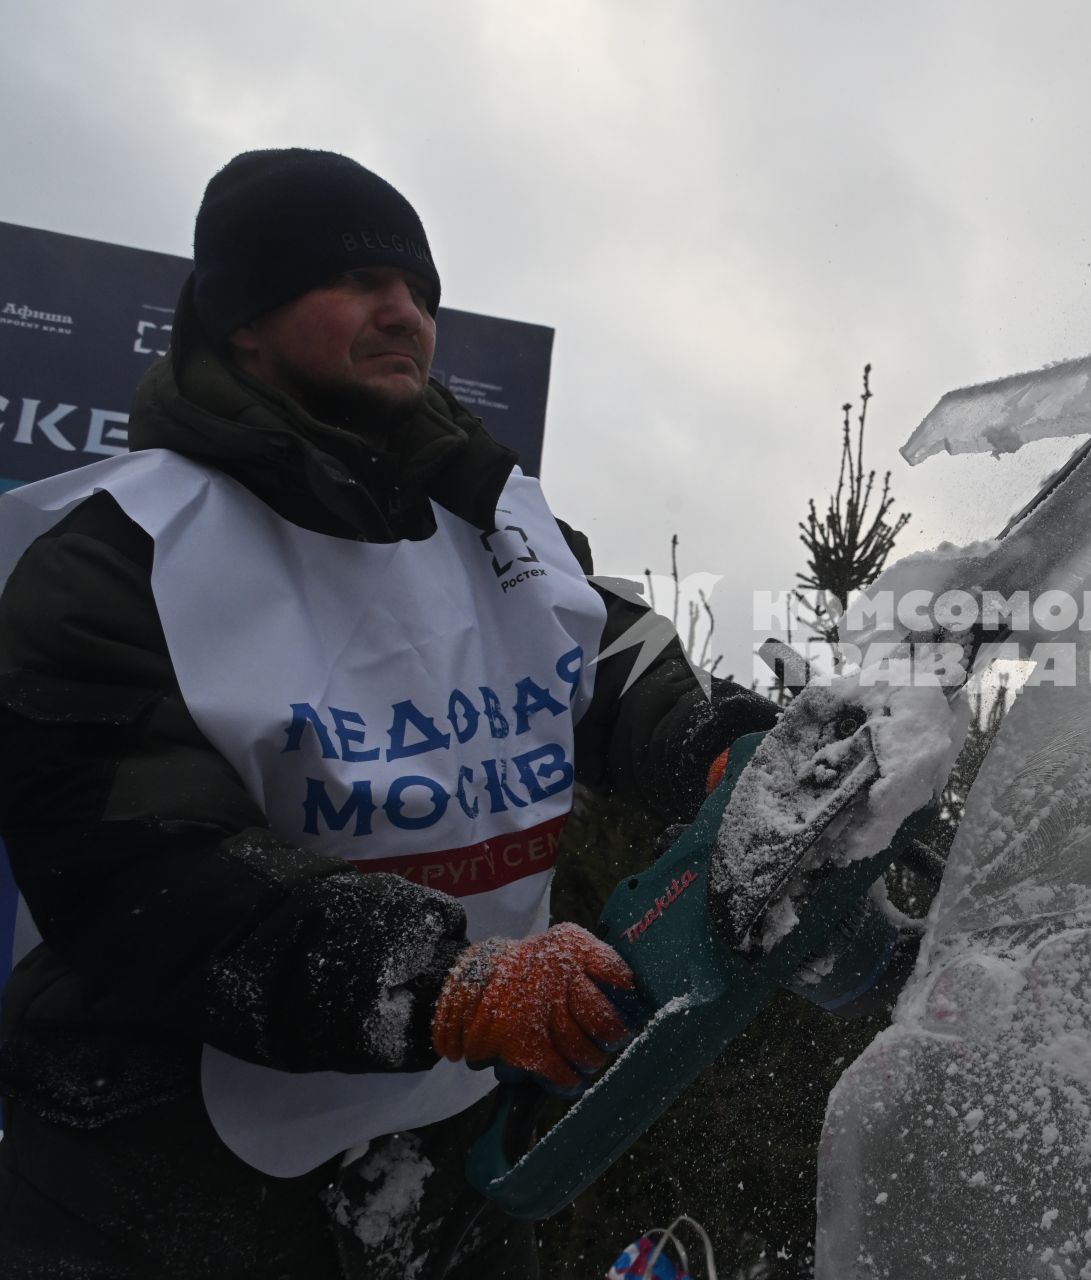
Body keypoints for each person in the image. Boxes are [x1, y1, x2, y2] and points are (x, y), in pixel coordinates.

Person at [0, 149, 779, 1278]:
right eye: (356, 278)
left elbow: (605, 655)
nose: (402, 310)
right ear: (243, 318)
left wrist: (713, 751)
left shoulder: (496, 514)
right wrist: (441, 983)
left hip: (450, 1154)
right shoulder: (120, 551)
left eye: (418, 289)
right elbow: (137, 871)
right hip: (160, 1173)